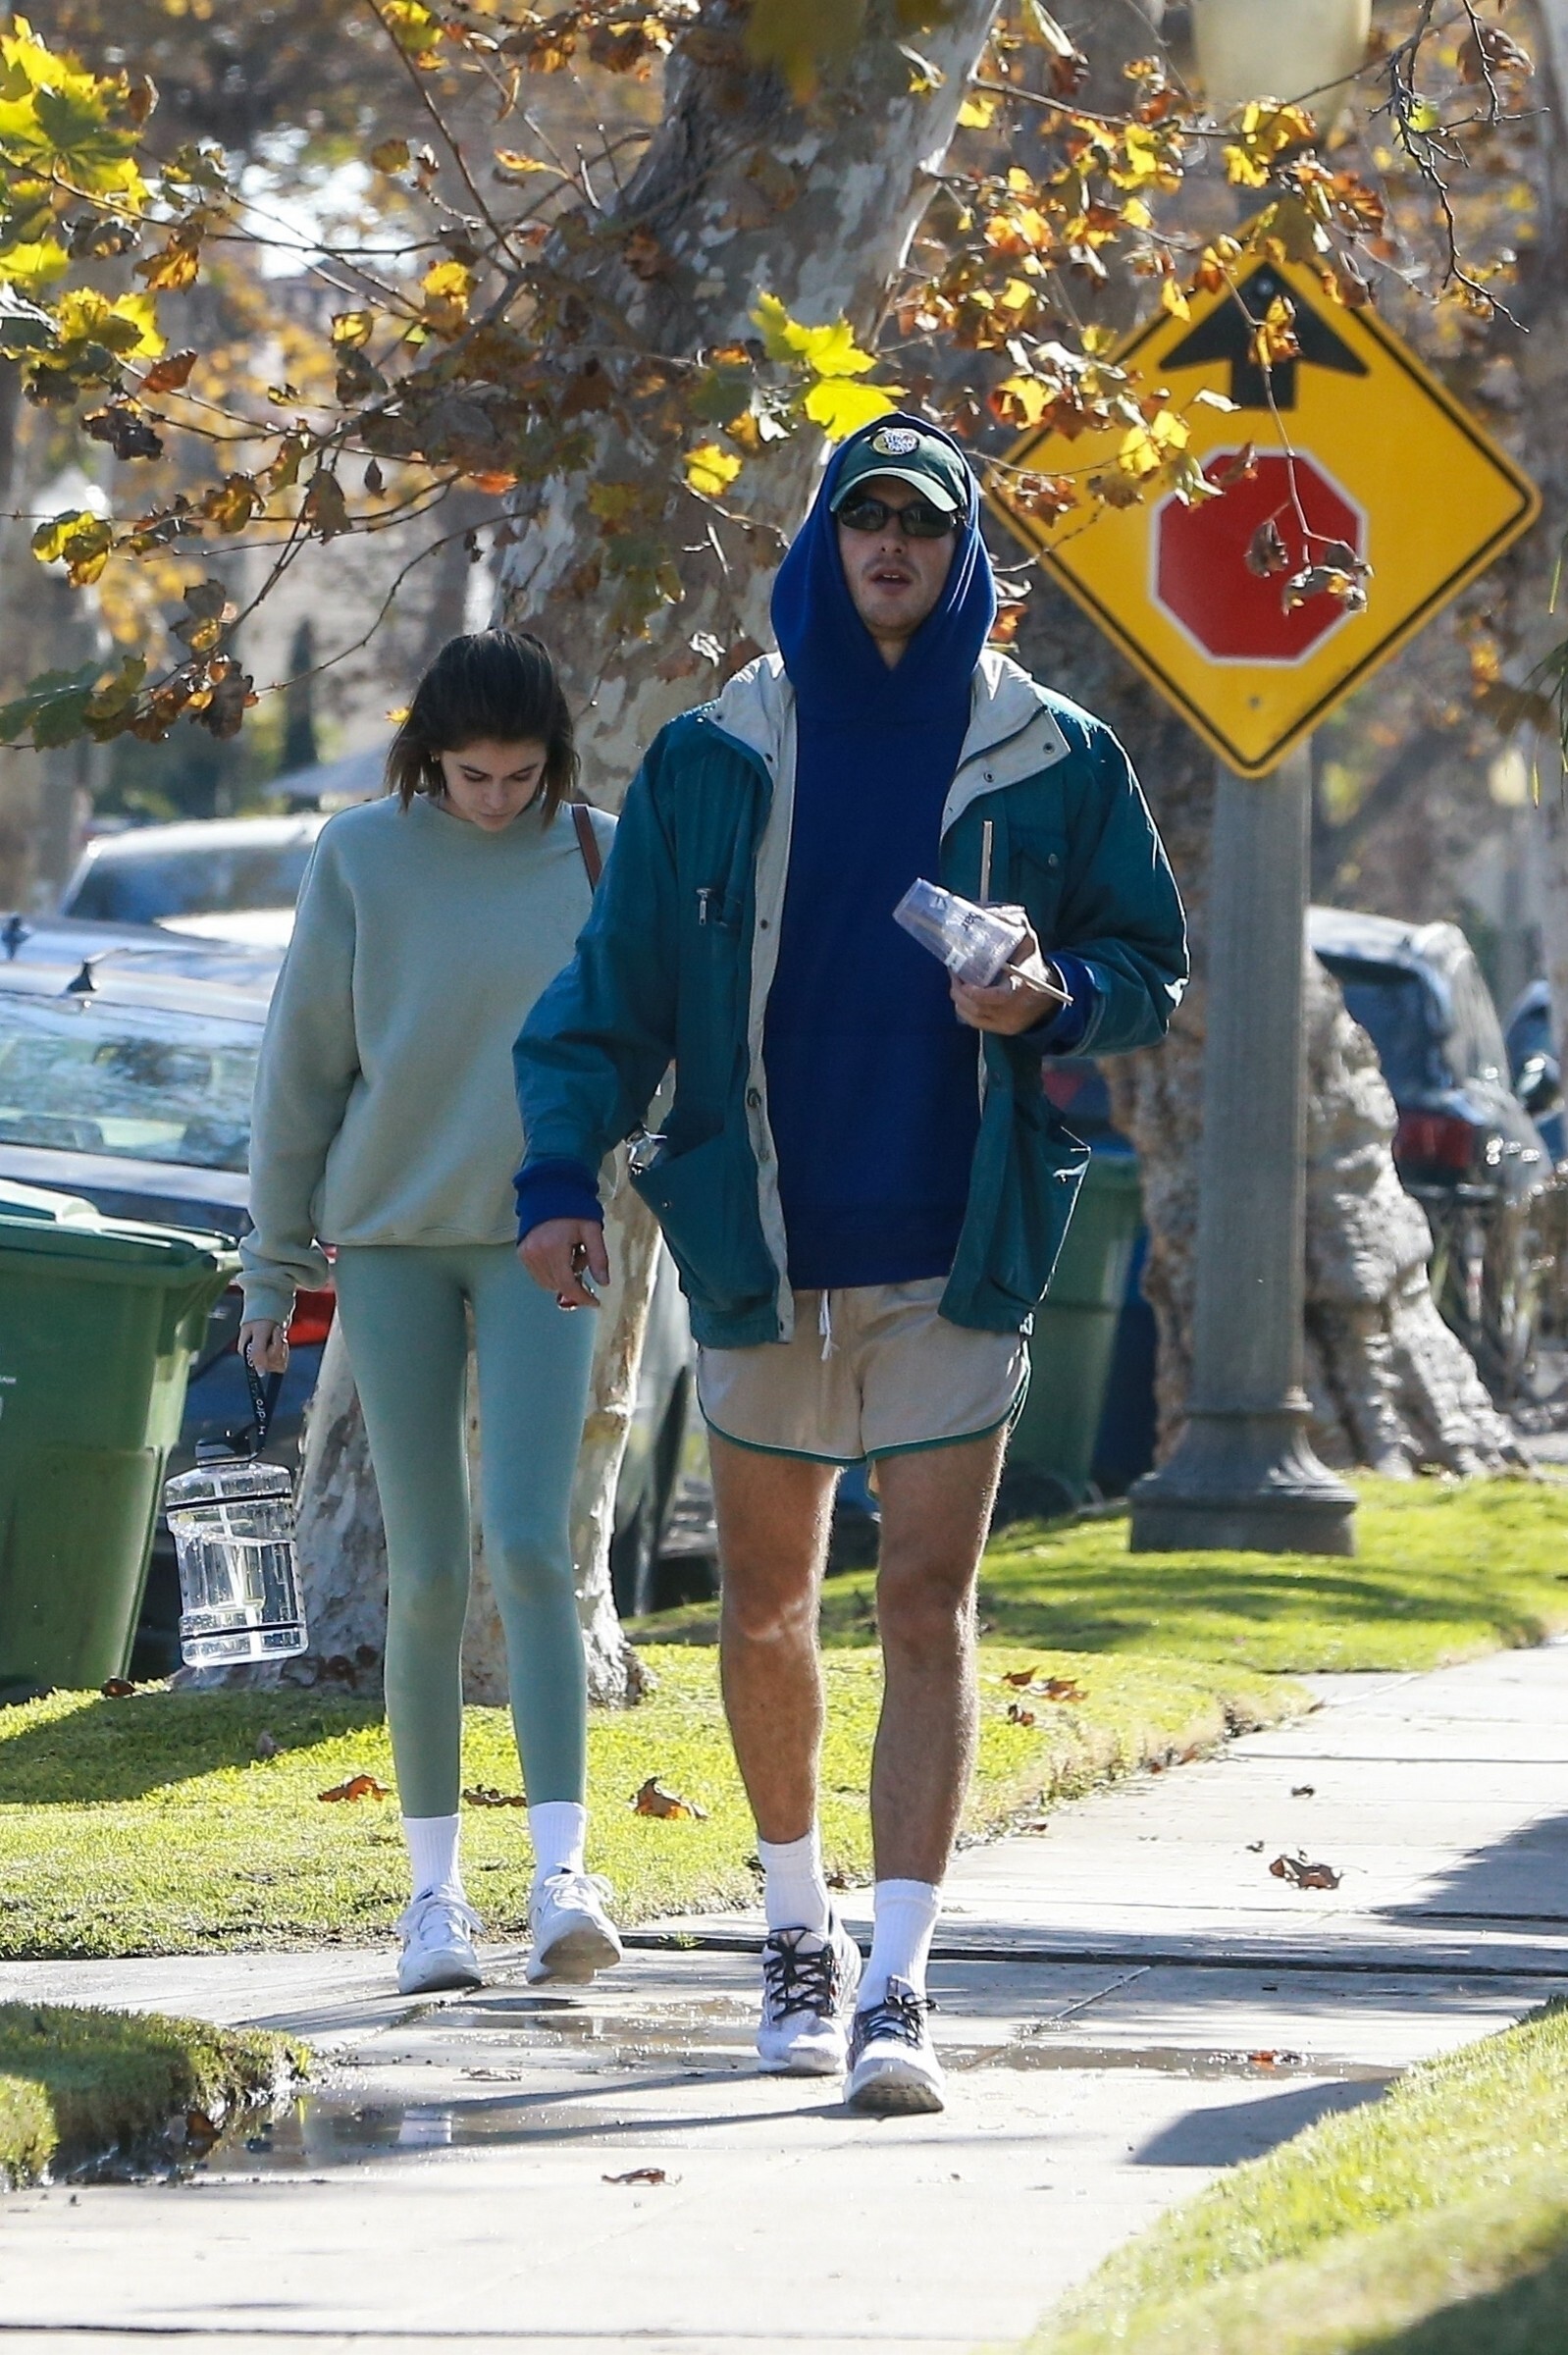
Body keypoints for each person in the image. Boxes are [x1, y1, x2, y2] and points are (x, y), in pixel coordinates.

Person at [513, 416, 1187, 2113]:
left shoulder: (1053, 755)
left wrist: (1053, 999)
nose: (891, 542)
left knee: (925, 1603)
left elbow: (1147, 965)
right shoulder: (711, 756)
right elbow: (611, 992)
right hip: (763, 1239)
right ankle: (792, 1933)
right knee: (761, 1606)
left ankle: (898, 1981)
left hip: (958, 1240)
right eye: (865, 517)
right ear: (825, 540)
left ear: (963, 558)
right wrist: (557, 1172)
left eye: (922, 523)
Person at [238, 628, 623, 2000]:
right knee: (426, 1568)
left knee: (529, 1544)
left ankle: (564, 1878)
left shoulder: (599, 852)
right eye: (472, 775)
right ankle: (431, 1901)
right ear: (427, 759)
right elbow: (301, 1066)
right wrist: (273, 1263)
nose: (497, 799)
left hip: (546, 1242)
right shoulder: (358, 855)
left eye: (521, 776)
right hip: (391, 1243)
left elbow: (647, 1042)